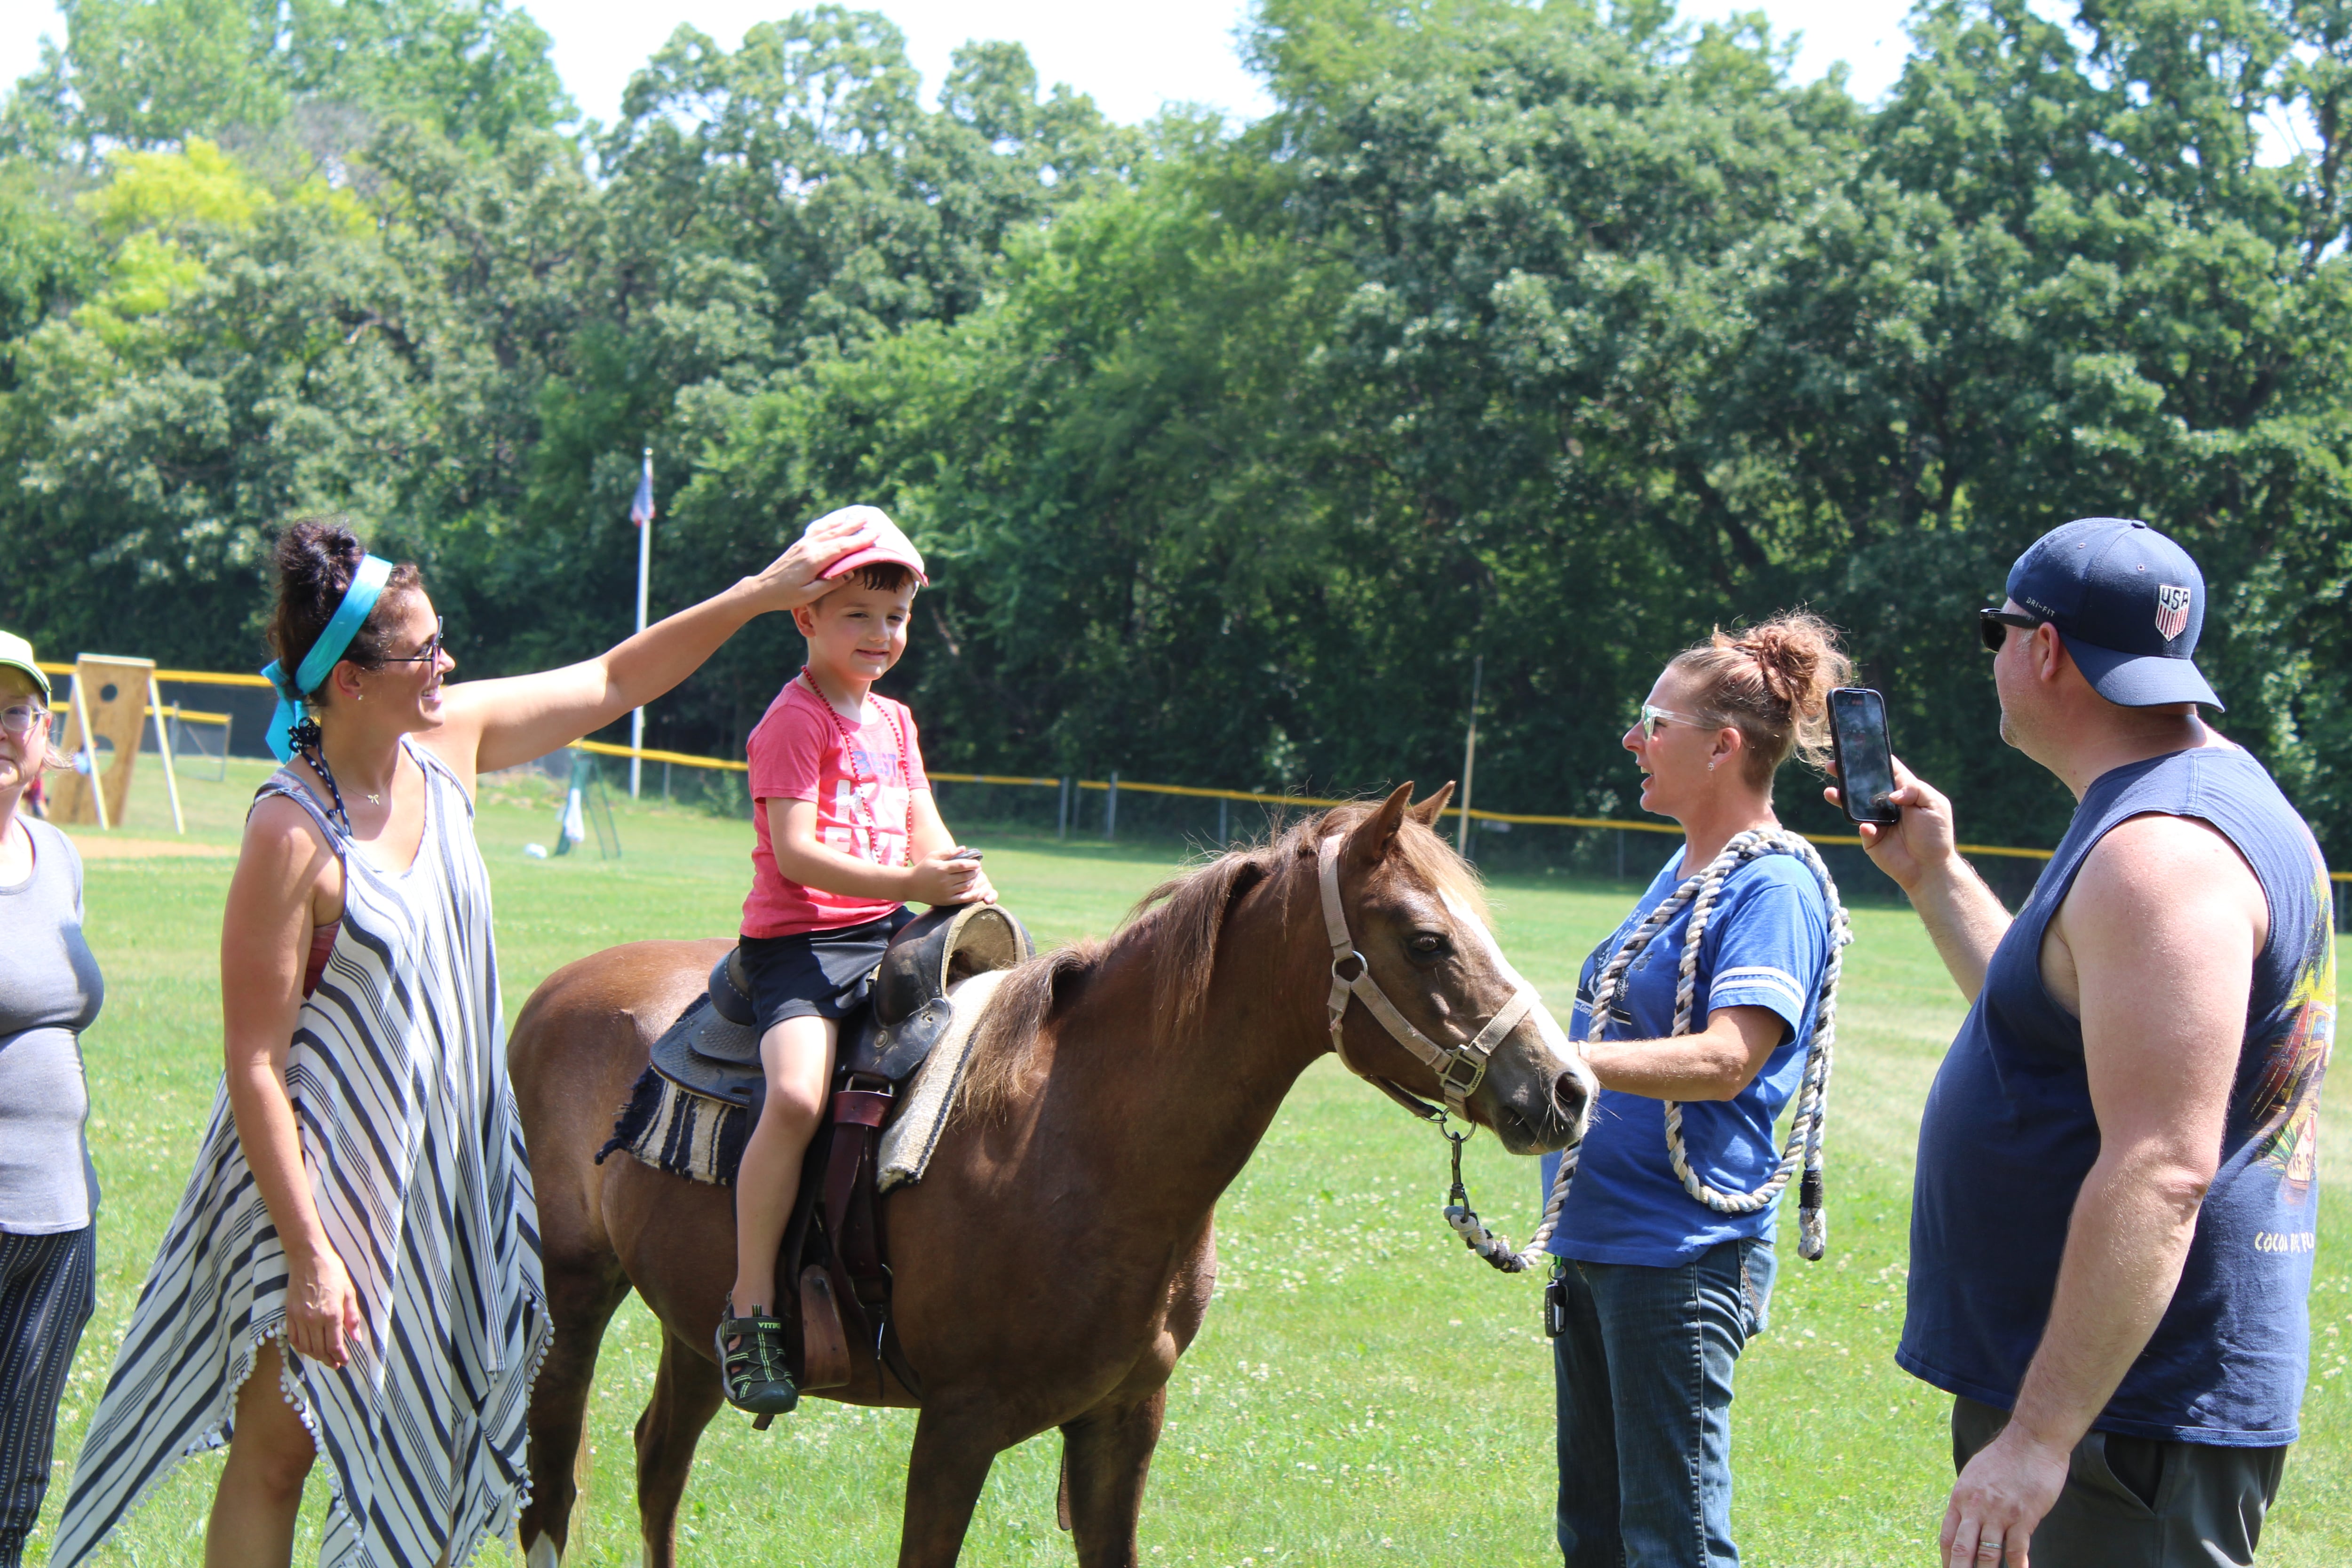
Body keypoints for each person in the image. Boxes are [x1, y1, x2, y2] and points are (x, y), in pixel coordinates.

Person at [52, 508, 886, 1568]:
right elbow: (256, 1061)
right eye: (422, 649)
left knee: (430, 1448)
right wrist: (311, 1257)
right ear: (349, 679)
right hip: (314, 1184)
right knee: (278, 1449)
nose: (446, 662)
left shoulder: (444, 741)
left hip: (441, 1179)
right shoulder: (288, 830)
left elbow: (617, 678)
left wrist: (762, 592)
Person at [1844, 518, 2330, 1568]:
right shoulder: (2180, 809)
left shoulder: (2163, 854)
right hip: (2116, 1407)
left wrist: (2038, 1437)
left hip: (2128, 1418)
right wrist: (1933, 875)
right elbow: (2061, 1025)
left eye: (1997, 630)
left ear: (2047, 648)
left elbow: (2163, 1167)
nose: (1997, 657)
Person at [1537, 612, 1850, 1568]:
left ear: (1722, 746)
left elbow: (1727, 1058)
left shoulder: (1773, 886)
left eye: (1653, 722)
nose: (1633, 739)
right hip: (1604, 1242)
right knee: (1594, 1537)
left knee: (1672, 1542)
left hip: (1678, 1254)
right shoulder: (1685, 871)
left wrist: (1556, 1060)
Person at [718, 506, 996, 1417]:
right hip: (798, 945)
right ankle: (752, 1302)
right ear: (805, 617)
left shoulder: (896, 721)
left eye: (896, 616)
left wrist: (962, 882)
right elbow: (795, 852)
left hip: (887, 930)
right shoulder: (791, 719)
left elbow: (927, 829)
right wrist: (911, 875)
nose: (881, 635)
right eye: (858, 614)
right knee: (798, 1095)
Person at [0, 630, 103, 1568]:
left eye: (14, 711)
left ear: (40, 735)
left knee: (17, 1477)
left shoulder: (60, 853)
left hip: (61, 1215)